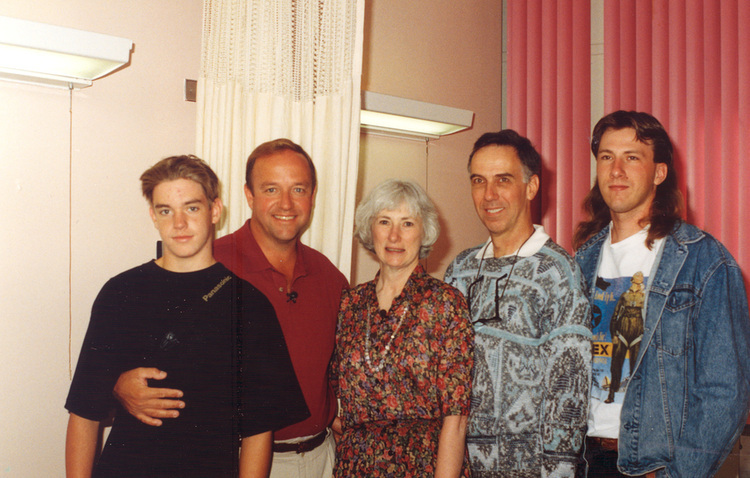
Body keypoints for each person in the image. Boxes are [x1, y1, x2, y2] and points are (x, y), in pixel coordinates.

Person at [112, 140, 348, 478]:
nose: (286, 203)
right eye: (271, 189)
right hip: (234, 460)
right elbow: (134, 355)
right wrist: (116, 386)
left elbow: (339, 368)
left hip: (321, 456)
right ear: (249, 195)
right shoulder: (206, 265)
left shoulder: (330, 277)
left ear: (312, 196)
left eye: (298, 189)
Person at [65, 155, 308, 477]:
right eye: (166, 211)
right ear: (153, 216)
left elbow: (258, 432)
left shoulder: (249, 305)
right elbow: (83, 414)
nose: (179, 223)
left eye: (191, 208)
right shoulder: (120, 293)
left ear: (215, 211)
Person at [573, 110, 750, 477]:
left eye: (631, 157)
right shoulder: (579, 262)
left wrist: (678, 474)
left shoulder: (705, 261)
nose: (616, 170)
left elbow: (725, 391)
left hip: (653, 467)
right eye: (606, 157)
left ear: (659, 172)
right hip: (580, 461)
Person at [445, 130, 592, 477]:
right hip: (460, 465)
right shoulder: (459, 270)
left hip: (529, 469)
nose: (489, 194)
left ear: (531, 187)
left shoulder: (558, 272)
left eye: (503, 180)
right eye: (479, 181)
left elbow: (569, 391)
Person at [332, 179, 474, 477]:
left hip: (424, 466)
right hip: (357, 466)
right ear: (370, 229)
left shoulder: (445, 303)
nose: (394, 235)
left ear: (424, 232)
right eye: (384, 221)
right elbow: (332, 393)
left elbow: (456, 419)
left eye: (407, 223)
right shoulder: (350, 304)